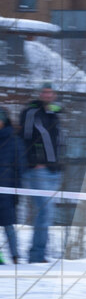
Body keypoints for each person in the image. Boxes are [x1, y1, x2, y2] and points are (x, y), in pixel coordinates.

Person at [20, 83, 62, 263]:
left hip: (54, 170)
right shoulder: (31, 112)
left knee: (47, 214)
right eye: (44, 92)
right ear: (40, 94)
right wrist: (34, 162)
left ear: (54, 95)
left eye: (50, 92)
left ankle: (40, 253)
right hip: (39, 170)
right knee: (44, 213)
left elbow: (57, 141)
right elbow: (26, 137)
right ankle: (37, 256)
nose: (47, 95)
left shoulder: (54, 114)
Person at [0, 106, 25, 264]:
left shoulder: (14, 141)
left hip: (7, 192)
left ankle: (15, 257)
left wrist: (16, 192)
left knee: (8, 225)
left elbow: (20, 168)